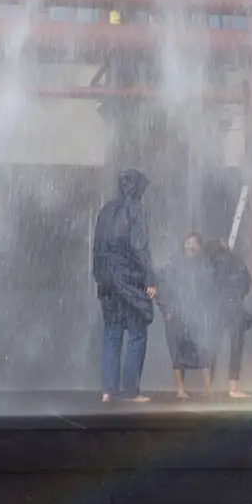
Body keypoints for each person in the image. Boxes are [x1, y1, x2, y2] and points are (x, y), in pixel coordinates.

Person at [92, 169, 157, 403]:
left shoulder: (106, 210)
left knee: (112, 333)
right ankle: (131, 391)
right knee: (137, 333)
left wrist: (100, 277)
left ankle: (108, 390)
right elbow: (140, 246)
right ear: (138, 187)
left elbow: (97, 247)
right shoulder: (136, 209)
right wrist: (149, 277)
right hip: (130, 280)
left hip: (108, 281)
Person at [156, 233, 219, 399]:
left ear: (200, 246)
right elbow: (162, 288)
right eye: (188, 243)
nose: (191, 246)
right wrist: (166, 310)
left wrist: (210, 311)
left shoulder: (206, 266)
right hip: (177, 314)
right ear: (183, 246)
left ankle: (208, 388)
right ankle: (180, 390)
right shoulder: (174, 266)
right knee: (177, 351)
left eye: (194, 243)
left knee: (204, 349)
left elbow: (213, 290)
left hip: (199, 314)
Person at [205, 239, 252, 399]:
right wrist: (237, 296)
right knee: (234, 348)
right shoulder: (235, 262)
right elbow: (247, 283)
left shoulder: (212, 263)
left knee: (215, 348)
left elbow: (245, 283)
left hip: (220, 309)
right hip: (232, 308)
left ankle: (209, 386)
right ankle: (231, 388)